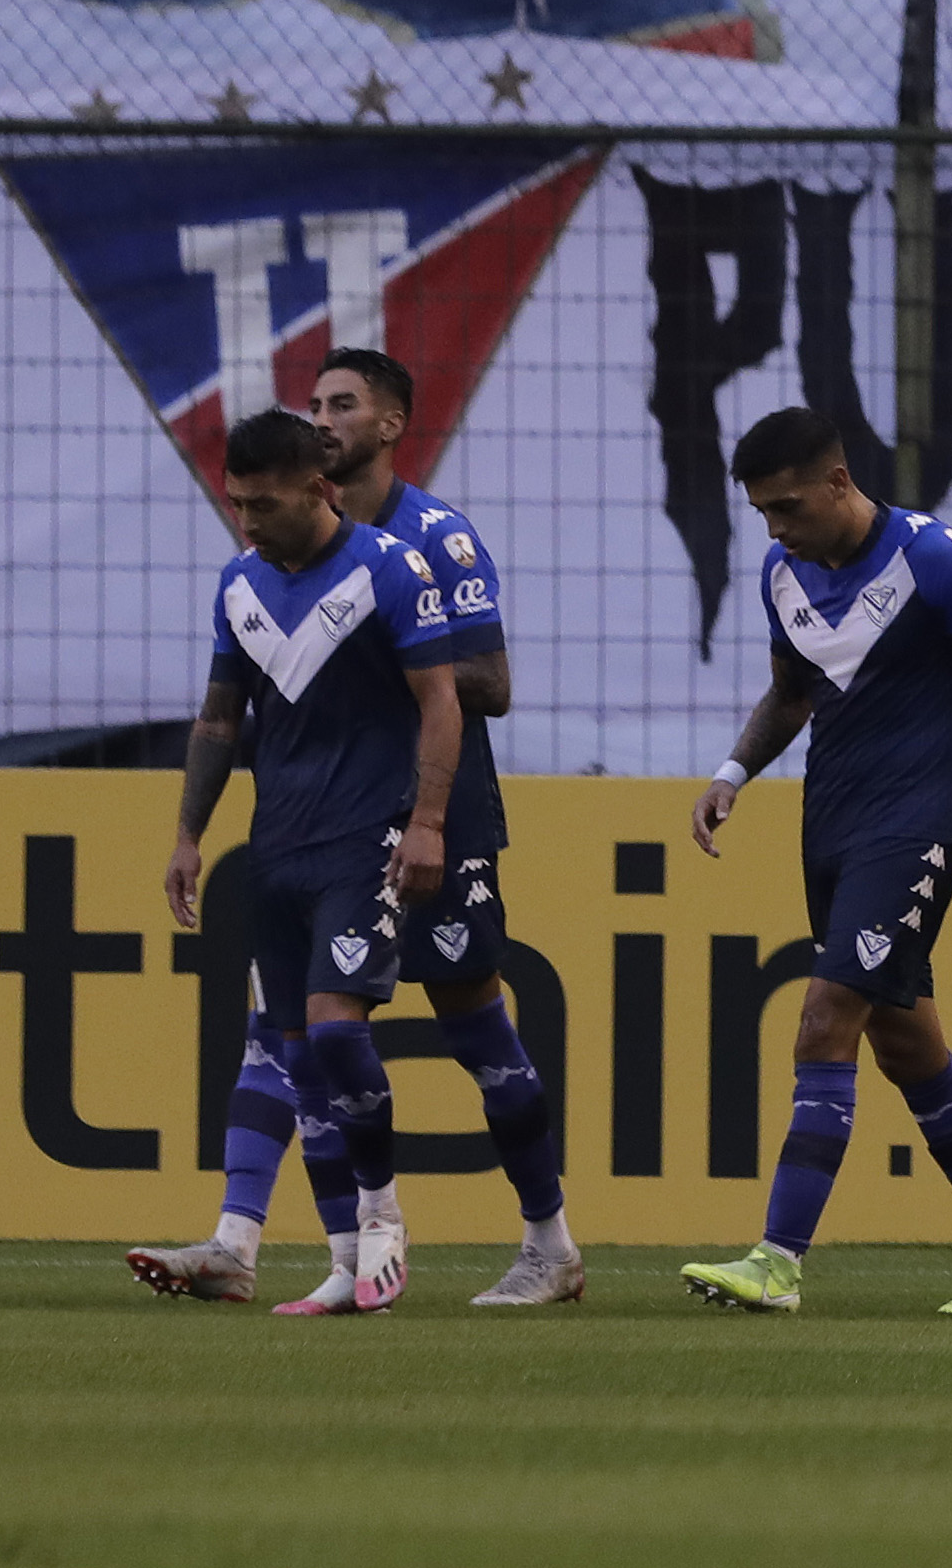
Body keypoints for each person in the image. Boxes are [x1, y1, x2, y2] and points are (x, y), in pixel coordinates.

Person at [128, 349, 573, 1311]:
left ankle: (548, 1241)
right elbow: (222, 713)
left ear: (388, 426)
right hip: (308, 829)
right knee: (283, 1034)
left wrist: (396, 660)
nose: (322, 415)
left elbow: (485, 686)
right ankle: (246, 1241)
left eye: (343, 403)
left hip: (436, 816)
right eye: (314, 402)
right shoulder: (258, 569)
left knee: (474, 1028)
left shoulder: (431, 545)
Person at [679, 407, 952, 1315]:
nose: (776, 528)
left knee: (824, 1019)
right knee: (909, 1047)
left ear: (839, 482)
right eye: (761, 514)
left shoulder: (936, 559)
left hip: (916, 826)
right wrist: (734, 770)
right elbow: (793, 693)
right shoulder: (781, 572)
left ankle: (777, 1263)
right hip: (828, 825)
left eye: (787, 506)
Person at [160, 408, 462, 1313]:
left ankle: (382, 1216)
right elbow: (220, 719)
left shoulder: (387, 570)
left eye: (262, 504)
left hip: (363, 839)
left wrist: (430, 821)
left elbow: (441, 700)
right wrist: (188, 834)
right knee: (300, 1057)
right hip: (277, 847)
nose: (247, 522)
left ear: (318, 489)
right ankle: (343, 1264)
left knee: (336, 1033)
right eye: (236, 504)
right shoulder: (239, 584)